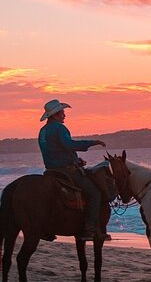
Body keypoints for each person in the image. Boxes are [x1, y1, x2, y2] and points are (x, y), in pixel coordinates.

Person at [38, 99, 108, 241]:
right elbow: (68, 145)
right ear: (56, 114)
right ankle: (90, 228)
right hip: (66, 171)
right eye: (63, 112)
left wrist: (76, 160)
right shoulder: (59, 128)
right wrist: (92, 142)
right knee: (95, 194)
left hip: (50, 170)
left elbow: (56, 149)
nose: (65, 115)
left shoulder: (43, 131)